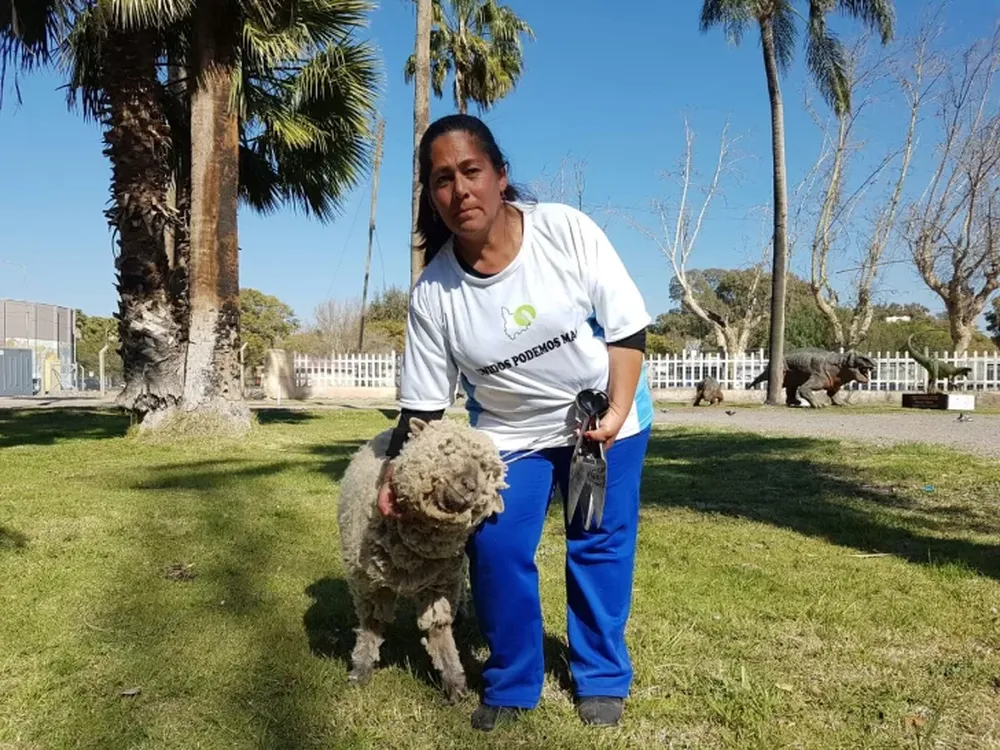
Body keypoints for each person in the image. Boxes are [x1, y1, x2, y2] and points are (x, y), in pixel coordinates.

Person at [377, 113, 653, 731]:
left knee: (597, 541)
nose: (460, 190)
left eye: (471, 171)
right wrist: (395, 471)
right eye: (442, 179)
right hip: (509, 437)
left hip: (604, 415)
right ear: (431, 194)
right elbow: (423, 406)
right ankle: (512, 681)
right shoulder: (434, 293)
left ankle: (601, 677)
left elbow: (628, 326)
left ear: (501, 176)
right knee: (498, 548)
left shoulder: (564, 231)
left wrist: (613, 413)